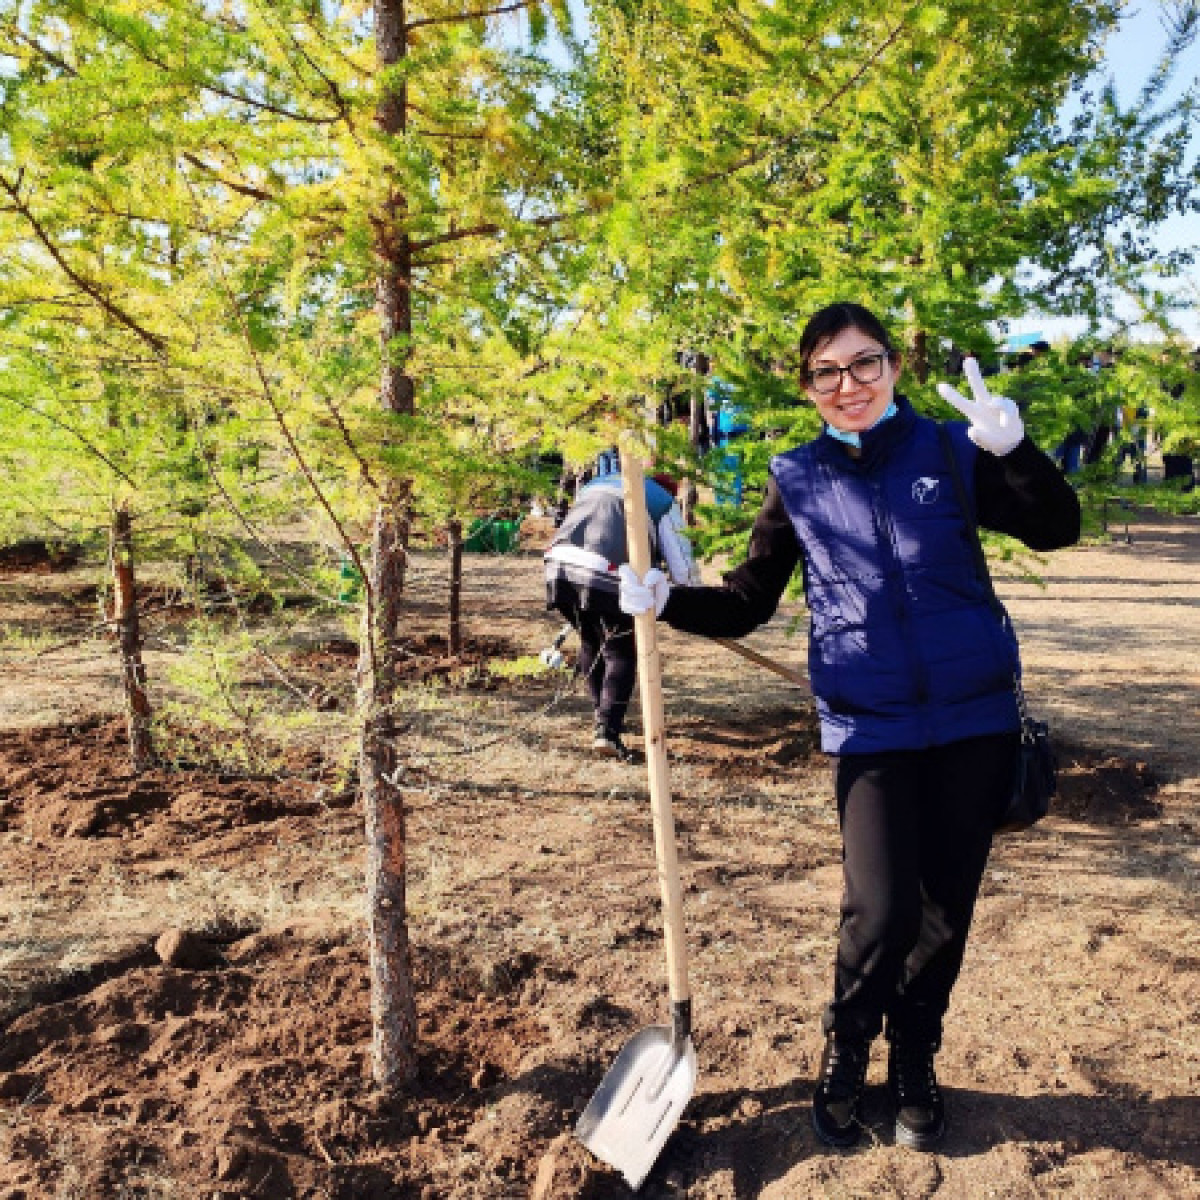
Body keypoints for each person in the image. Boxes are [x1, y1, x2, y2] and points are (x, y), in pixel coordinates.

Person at [619, 302, 1080, 1150]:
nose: (849, 385)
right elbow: (748, 600)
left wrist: (1015, 454)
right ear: (808, 388)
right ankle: (845, 1055)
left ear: (893, 366)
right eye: (827, 373)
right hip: (871, 730)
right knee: (878, 910)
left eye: (864, 364)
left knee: (945, 912)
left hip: (973, 723)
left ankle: (914, 1062)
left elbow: (1058, 529)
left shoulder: (949, 449)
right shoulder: (797, 477)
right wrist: (668, 601)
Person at [545, 468, 700, 760]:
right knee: (621, 652)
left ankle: (602, 716)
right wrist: (692, 600)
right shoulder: (662, 502)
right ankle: (607, 731)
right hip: (607, 572)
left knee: (591, 641)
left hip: (558, 565)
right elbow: (682, 566)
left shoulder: (599, 482)